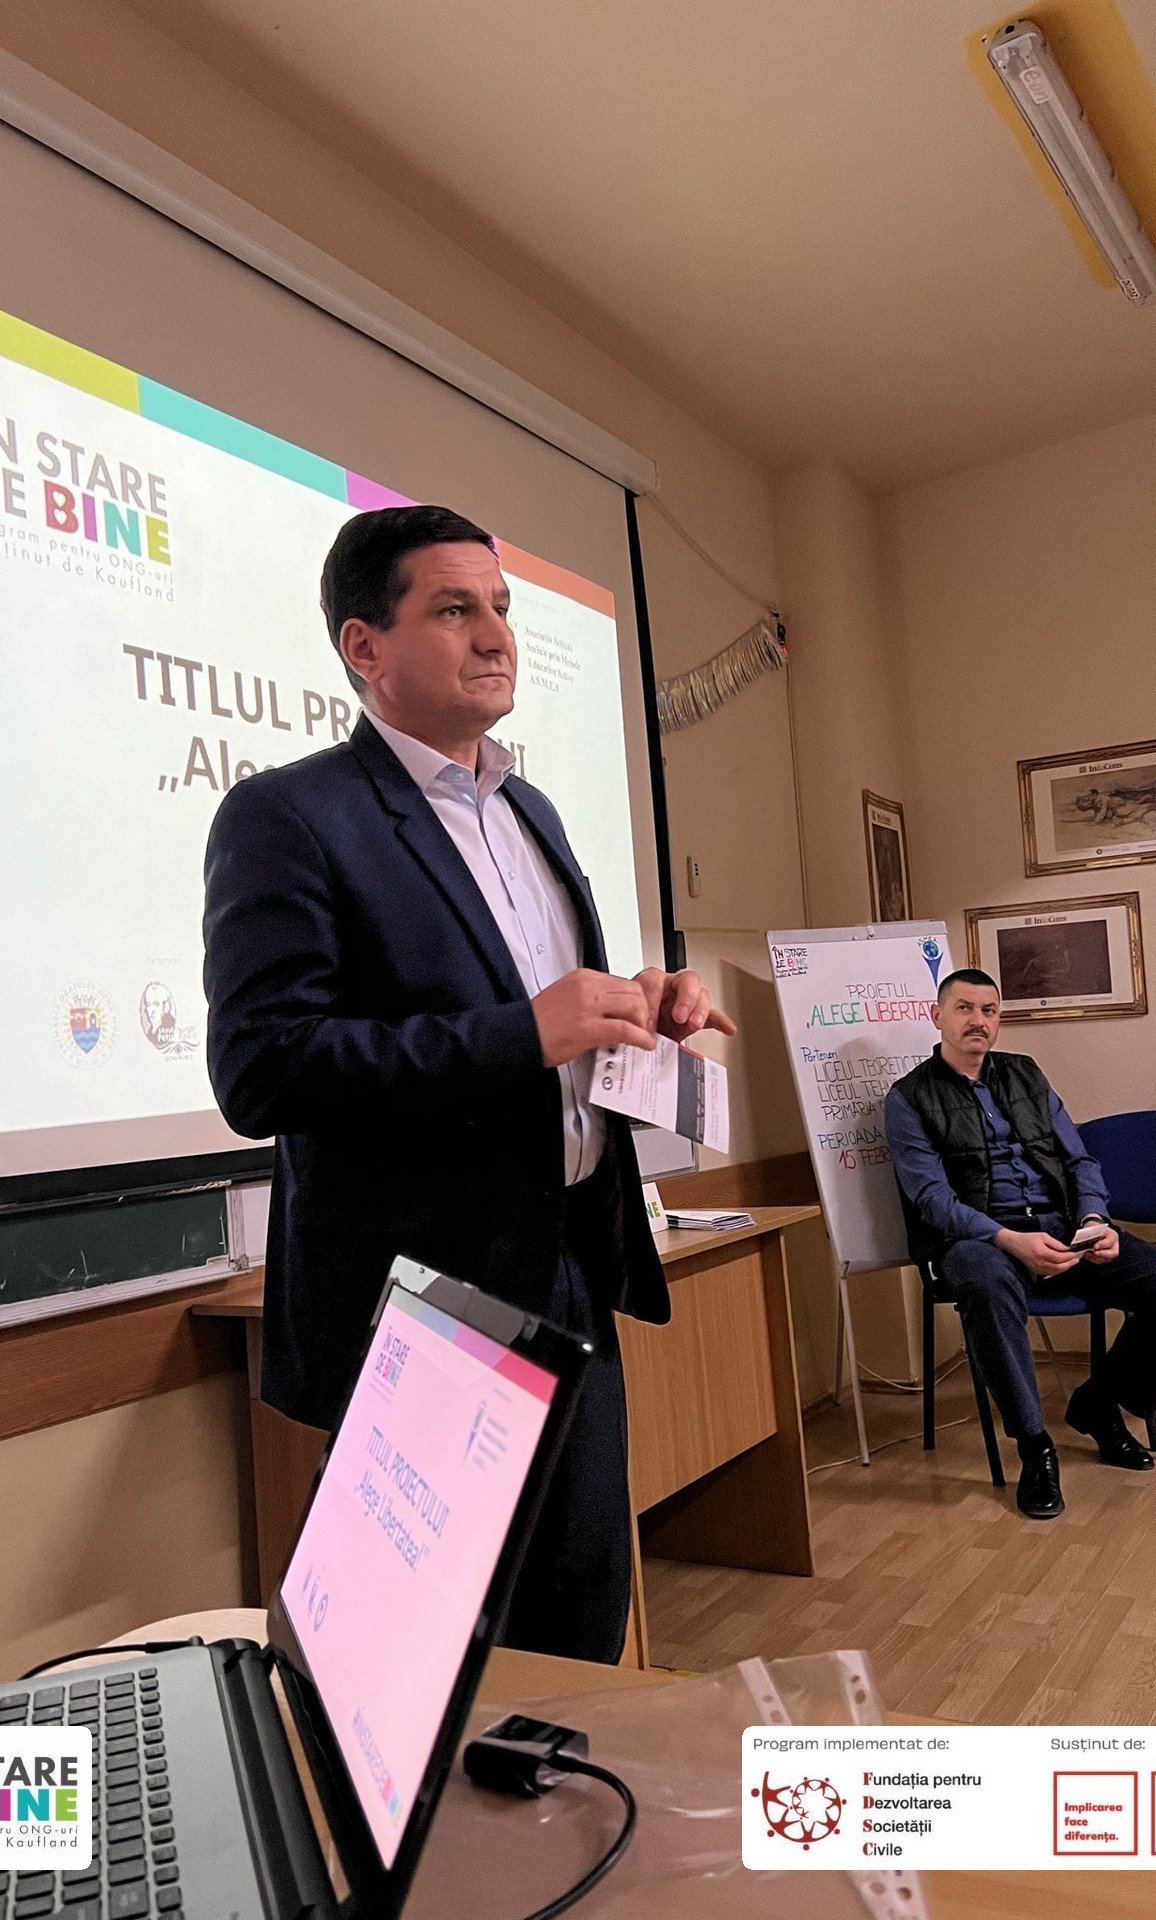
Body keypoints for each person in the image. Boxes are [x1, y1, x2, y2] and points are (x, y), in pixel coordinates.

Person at [202, 503, 736, 1660]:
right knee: (429, 1661)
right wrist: (518, 1033)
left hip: (571, 1267)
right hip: (423, 1303)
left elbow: (547, 1022)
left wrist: (636, 1006)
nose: (495, 634)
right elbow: (263, 1069)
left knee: (581, 1620)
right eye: (455, 609)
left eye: (500, 607)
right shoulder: (290, 815)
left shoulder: (530, 810)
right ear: (364, 646)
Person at [884, 969, 1156, 1521]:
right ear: (937, 1016)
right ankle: (1035, 1448)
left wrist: (1095, 1220)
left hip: (1061, 1227)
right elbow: (931, 1200)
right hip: (978, 1237)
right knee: (987, 1285)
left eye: (989, 1010)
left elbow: (1078, 1159)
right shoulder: (909, 1097)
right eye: (964, 1008)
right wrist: (1009, 1238)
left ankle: (1098, 1404)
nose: (978, 1021)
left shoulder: (1026, 1074)